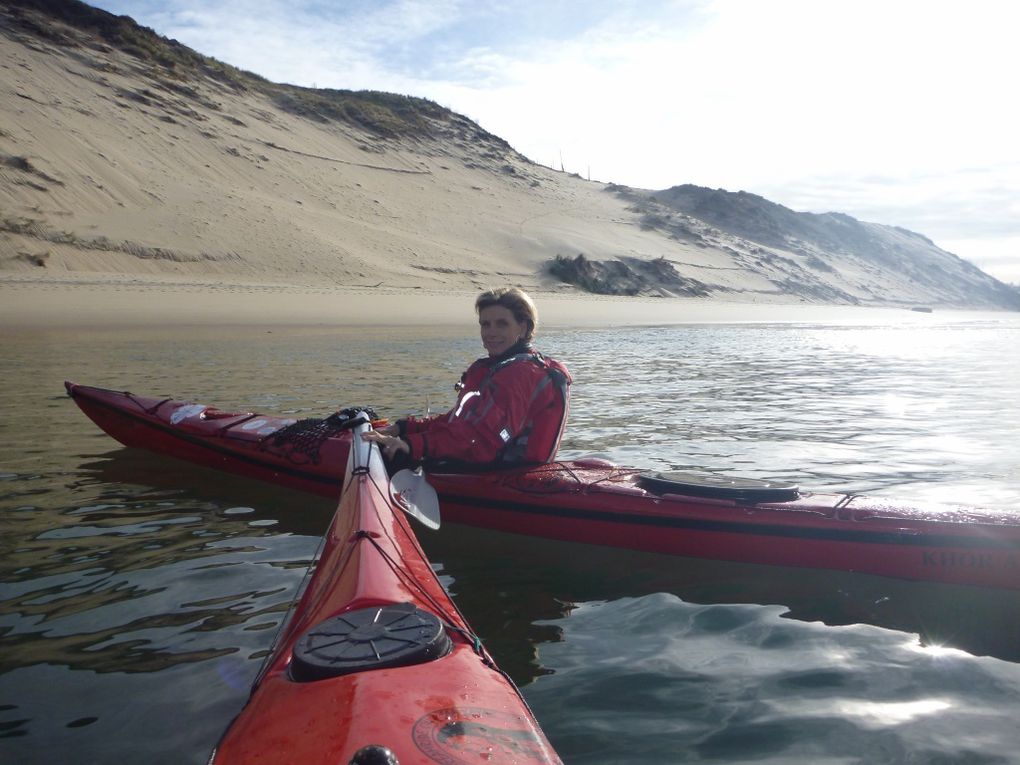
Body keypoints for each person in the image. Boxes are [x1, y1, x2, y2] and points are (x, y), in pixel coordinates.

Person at [362, 286, 571, 470]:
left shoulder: (519, 374)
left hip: (501, 474)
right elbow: (459, 422)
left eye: (502, 324)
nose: (491, 332)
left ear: (523, 327)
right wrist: (405, 428)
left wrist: (412, 445)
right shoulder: (499, 367)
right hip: (491, 465)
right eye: (485, 324)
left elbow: (481, 441)